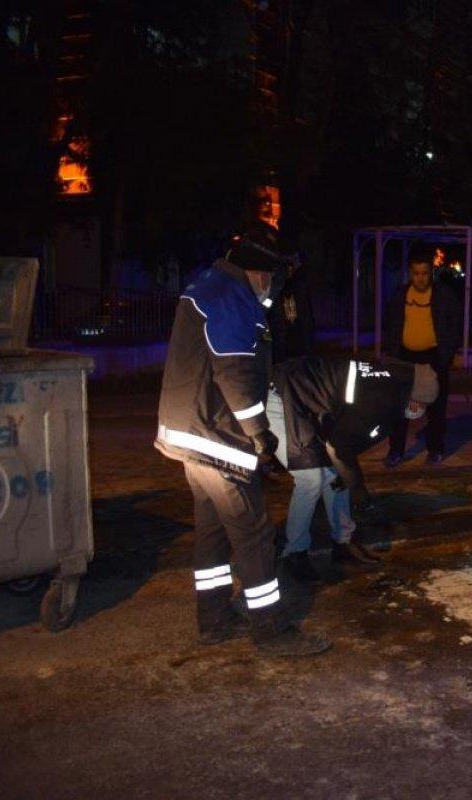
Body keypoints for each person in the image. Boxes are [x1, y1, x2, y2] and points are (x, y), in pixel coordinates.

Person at [155, 222, 330, 658]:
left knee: (212, 531)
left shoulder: (207, 287)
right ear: (259, 272)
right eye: (271, 280)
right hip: (217, 439)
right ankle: (271, 631)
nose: (271, 291)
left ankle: (213, 619)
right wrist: (260, 437)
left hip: (190, 434)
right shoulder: (233, 299)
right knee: (254, 534)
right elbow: (235, 376)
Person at [267, 355, 440, 583]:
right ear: (412, 396)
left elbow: (345, 439)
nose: (420, 412)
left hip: (304, 399)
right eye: (421, 405)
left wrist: (349, 476)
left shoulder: (391, 378)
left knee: (337, 473)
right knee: (311, 479)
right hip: (280, 395)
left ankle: (343, 544)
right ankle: (294, 553)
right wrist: (358, 487)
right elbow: (339, 446)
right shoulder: (382, 396)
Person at [383, 259, 462, 465]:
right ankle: (396, 451)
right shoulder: (400, 295)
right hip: (404, 359)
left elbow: (455, 325)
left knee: (436, 407)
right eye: (416, 273)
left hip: (434, 358)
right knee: (400, 407)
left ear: (431, 273)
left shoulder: (444, 296)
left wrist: (445, 357)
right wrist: (392, 355)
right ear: (410, 273)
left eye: (424, 273)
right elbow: (390, 324)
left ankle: (435, 449)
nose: (420, 278)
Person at [268, 251, 316, 364]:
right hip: (282, 347)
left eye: (292, 265)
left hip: (300, 344)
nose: (290, 269)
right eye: (287, 265)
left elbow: (306, 315)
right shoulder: (276, 287)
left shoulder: (300, 284)